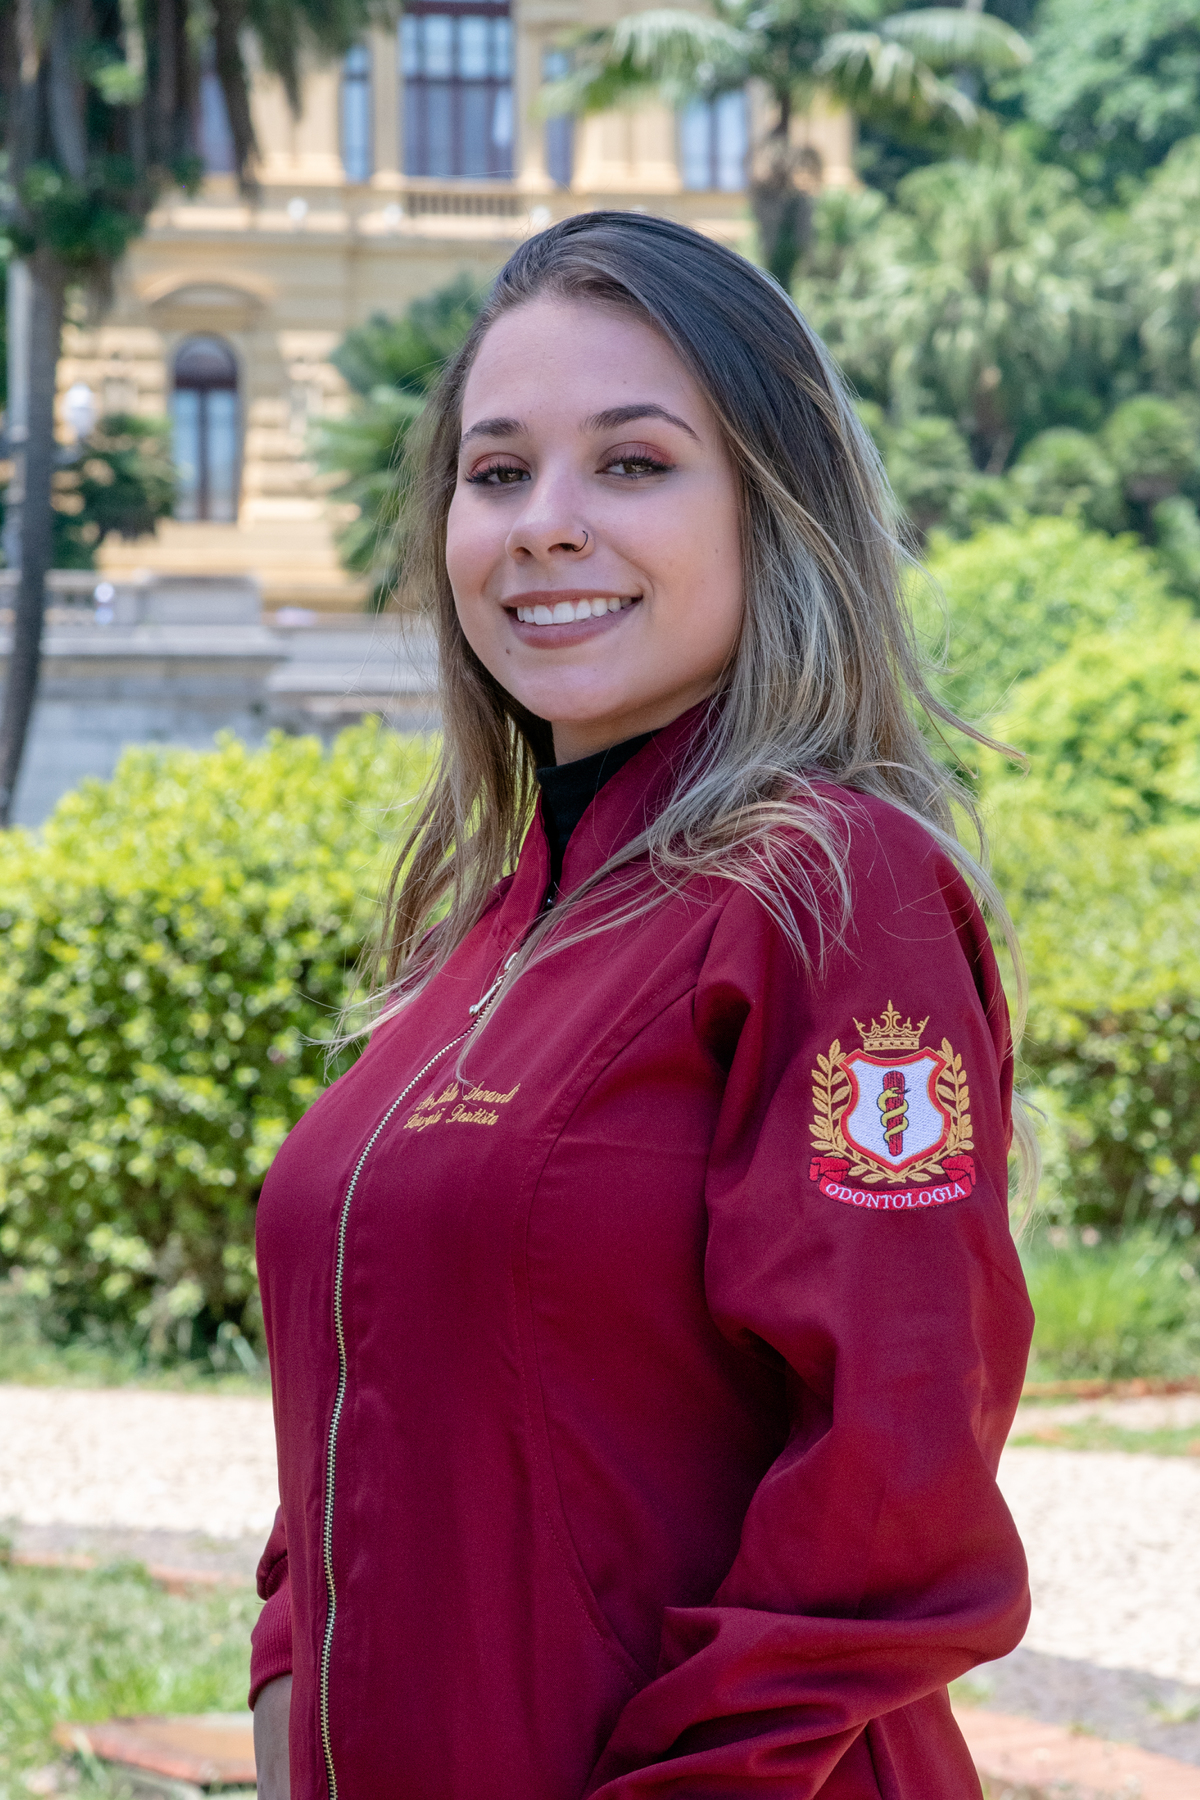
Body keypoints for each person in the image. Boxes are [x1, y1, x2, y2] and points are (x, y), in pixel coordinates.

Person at [249, 211, 1035, 1800]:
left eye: (632, 463)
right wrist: (285, 1697)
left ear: (773, 506)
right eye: (496, 473)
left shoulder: (833, 891)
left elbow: (893, 1482)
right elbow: (370, 1417)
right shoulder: (493, 937)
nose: (545, 526)